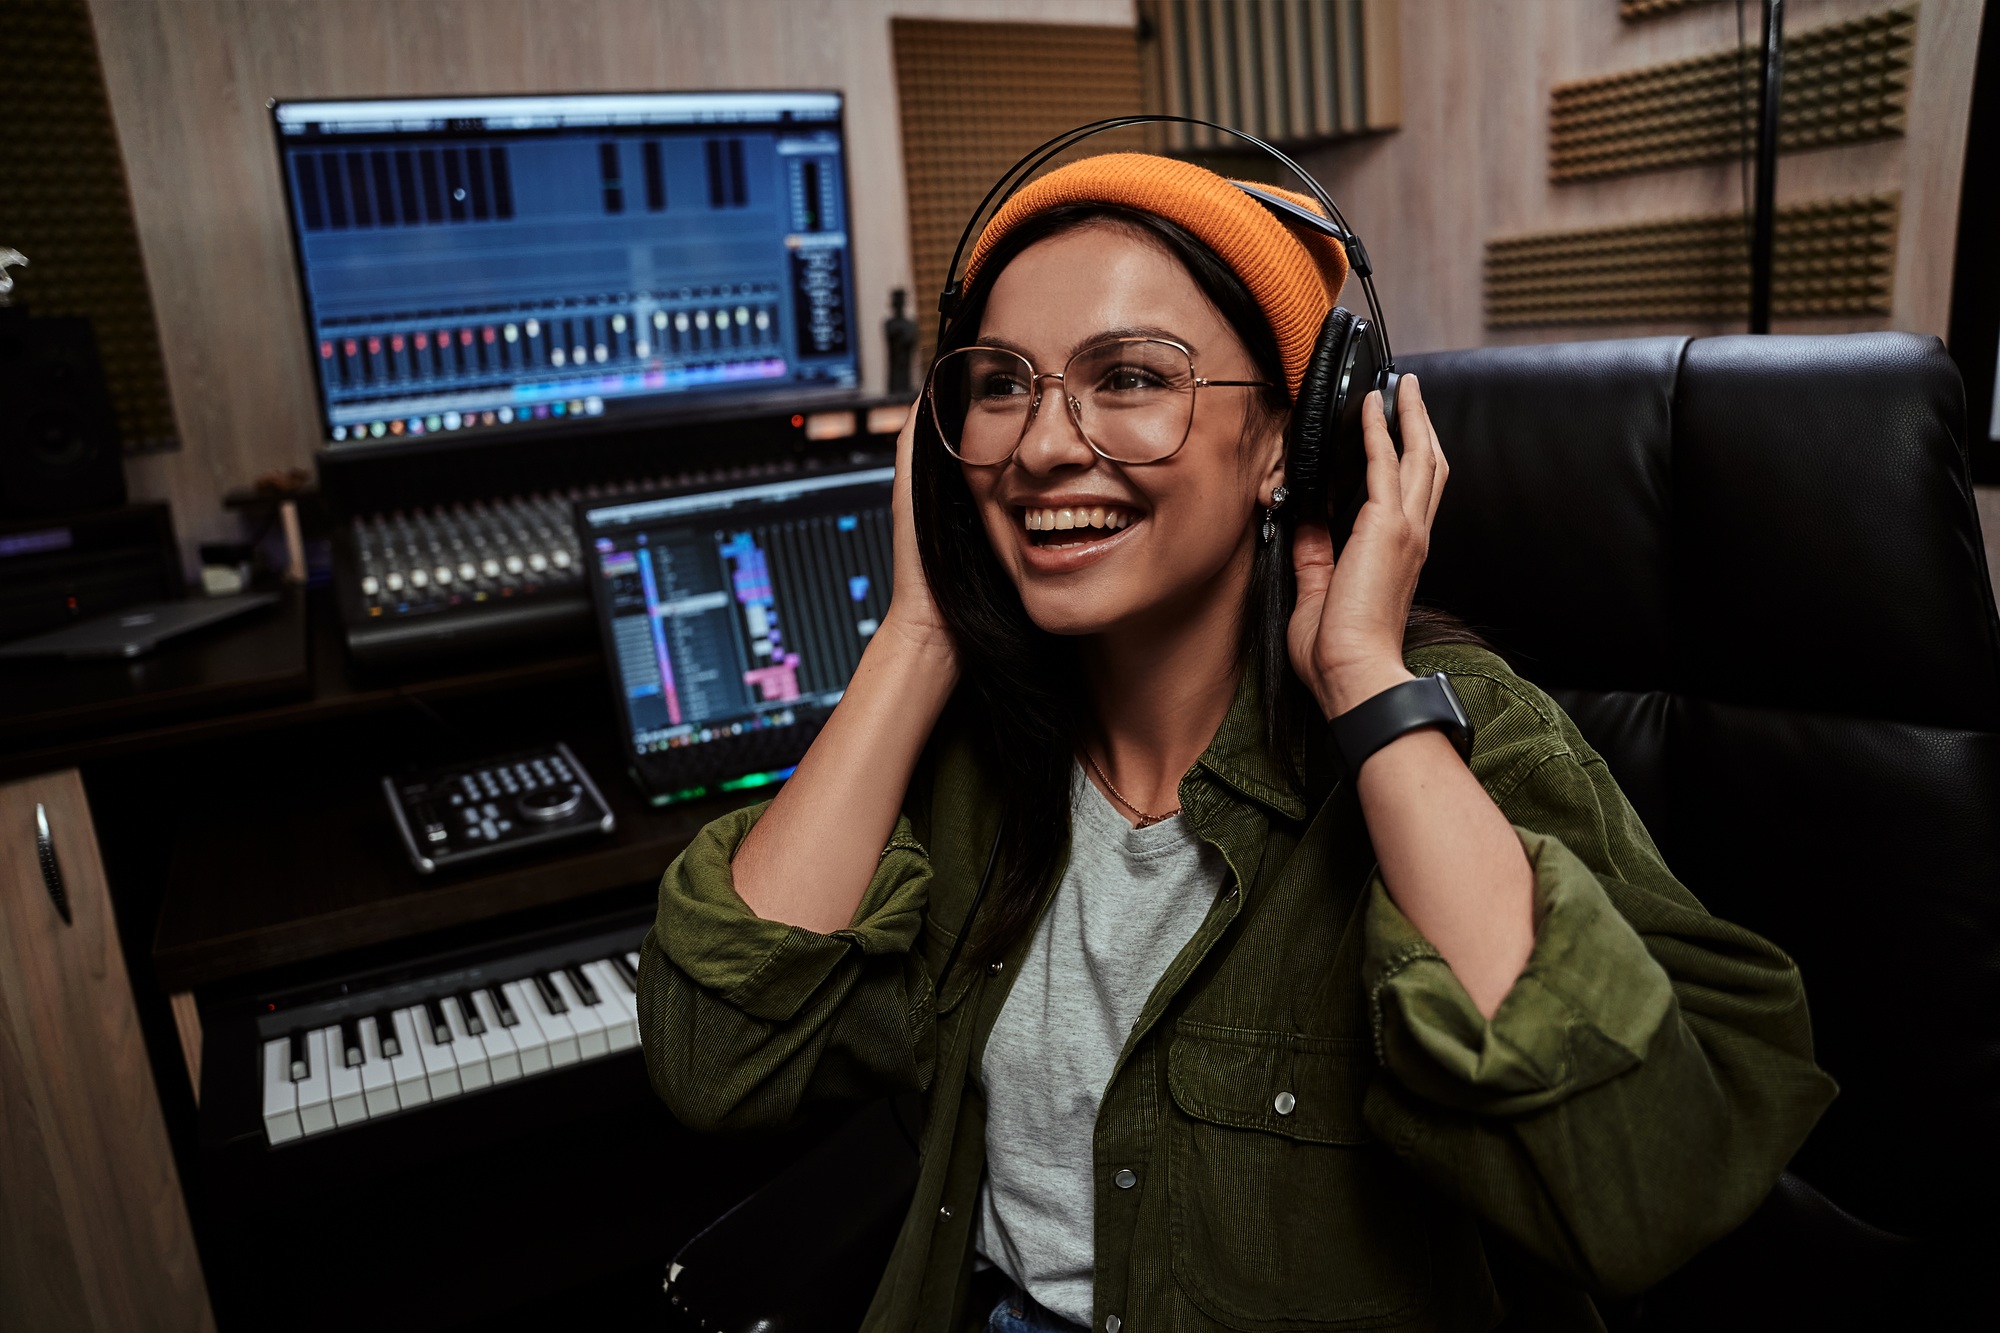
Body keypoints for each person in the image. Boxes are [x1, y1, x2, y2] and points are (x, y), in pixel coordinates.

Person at [638, 153, 1835, 1333]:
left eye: (1128, 378)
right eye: (1001, 384)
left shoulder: (1458, 734)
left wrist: (1367, 687)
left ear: (1286, 444)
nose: (1043, 445)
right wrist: (914, 634)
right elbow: (717, 1061)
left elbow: (1642, 1189)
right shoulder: (971, 757)